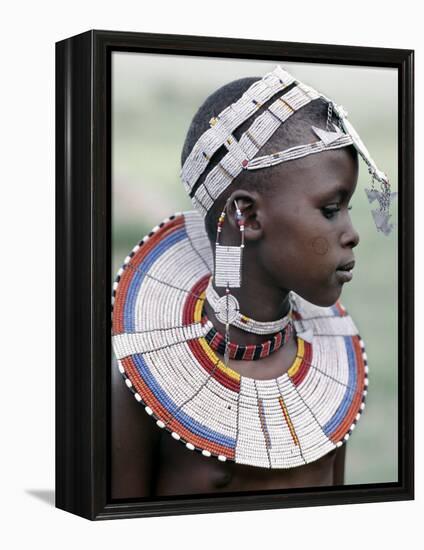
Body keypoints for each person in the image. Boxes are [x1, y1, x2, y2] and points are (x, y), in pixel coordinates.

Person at [111, 66, 394, 498]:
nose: (352, 233)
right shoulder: (139, 385)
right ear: (246, 216)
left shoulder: (338, 375)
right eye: (332, 208)